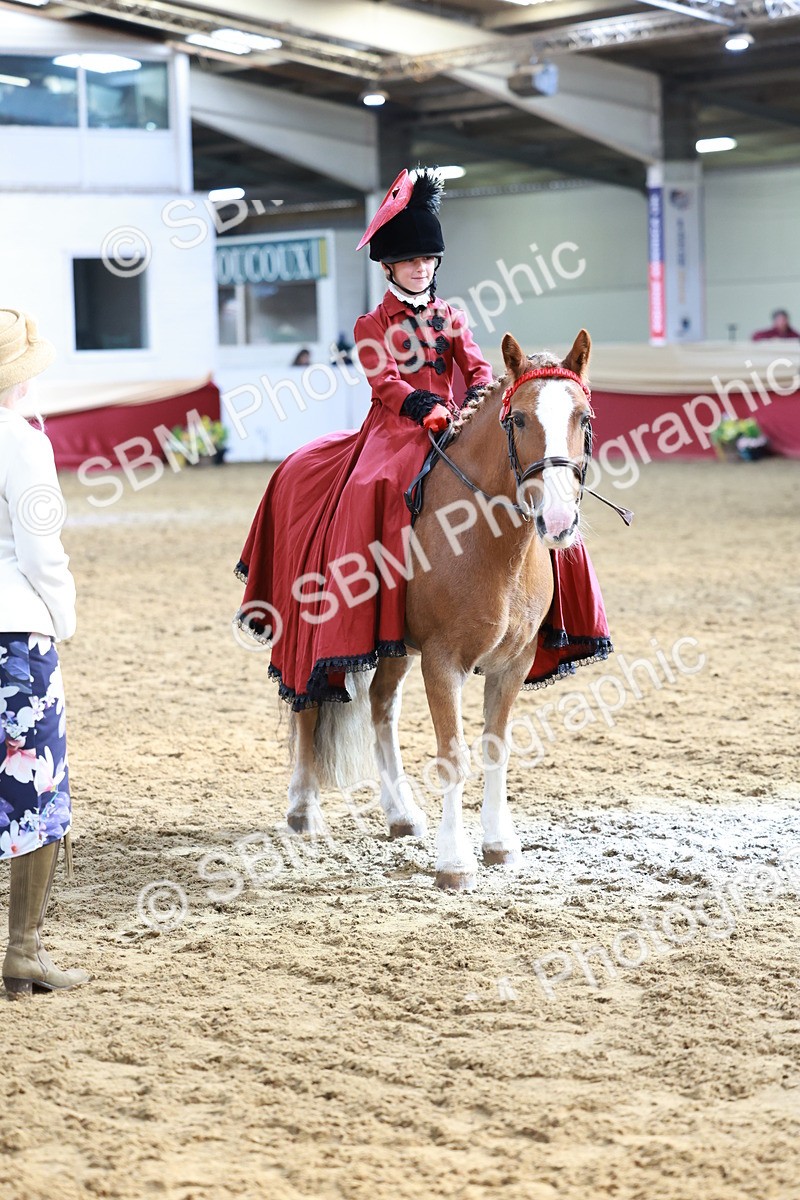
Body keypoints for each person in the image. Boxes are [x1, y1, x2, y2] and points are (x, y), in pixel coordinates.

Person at [235, 168, 610, 707]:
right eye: (412, 261)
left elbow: (481, 369)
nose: (421, 269)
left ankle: (559, 604)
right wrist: (420, 403)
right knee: (377, 485)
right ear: (390, 265)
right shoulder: (371, 324)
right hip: (393, 431)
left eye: (428, 260)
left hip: (452, 420)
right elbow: (384, 382)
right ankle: (365, 606)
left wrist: (481, 398)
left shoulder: (451, 317)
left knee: (537, 481)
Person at [0, 308, 89, 997]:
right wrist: (62, 614)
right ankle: (23, 951)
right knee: (37, 789)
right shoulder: (21, 441)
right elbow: (40, 550)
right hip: (13, 634)